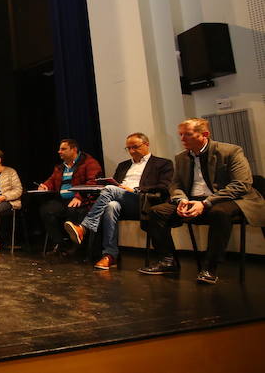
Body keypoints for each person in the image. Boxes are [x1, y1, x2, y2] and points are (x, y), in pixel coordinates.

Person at [139, 118, 265, 284]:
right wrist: (180, 199)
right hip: (193, 199)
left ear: (204, 134)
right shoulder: (181, 157)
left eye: (188, 135)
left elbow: (241, 185)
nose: (182, 139)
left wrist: (206, 203)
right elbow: (175, 184)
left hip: (227, 198)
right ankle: (167, 261)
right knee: (156, 212)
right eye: (181, 135)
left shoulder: (231, 151)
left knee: (219, 212)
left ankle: (210, 268)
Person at [64, 133, 173, 270]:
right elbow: (114, 186)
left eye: (135, 147)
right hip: (123, 203)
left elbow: (164, 187)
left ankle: (84, 227)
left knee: (110, 189)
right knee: (111, 205)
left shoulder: (162, 163)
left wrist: (135, 189)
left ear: (146, 144)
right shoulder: (123, 165)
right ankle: (110, 255)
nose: (132, 151)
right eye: (128, 148)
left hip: (143, 201)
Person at [37, 139, 102, 254]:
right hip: (63, 200)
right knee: (46, 210)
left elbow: (93, 182)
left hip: (83, 200)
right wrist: (45, 186)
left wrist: (79, 197)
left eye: (63, 149)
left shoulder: (89, 163)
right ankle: (60, 244)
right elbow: (51, 180)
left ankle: (76, 246)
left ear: (74, 149)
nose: (59, 152)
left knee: (73, 210)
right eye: (59, 149)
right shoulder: (61, 167)